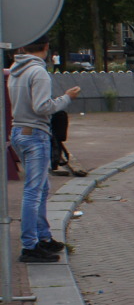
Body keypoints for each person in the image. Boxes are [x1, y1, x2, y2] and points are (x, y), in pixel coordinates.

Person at [8, 35, 80, 263]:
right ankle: (30, 245)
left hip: (19, 130)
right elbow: (42, 107)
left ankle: (43, 237)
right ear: (46, 48)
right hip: (35, 134)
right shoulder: (37, 72)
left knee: (40, 187)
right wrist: (66, 98)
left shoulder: (16, 69)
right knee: (33, 190)